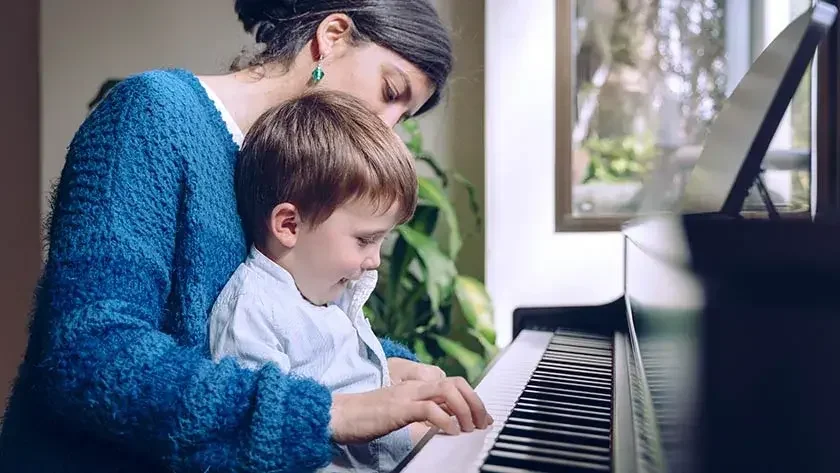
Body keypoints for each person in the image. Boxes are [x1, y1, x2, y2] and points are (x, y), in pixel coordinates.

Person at [0, 1, 492, 472]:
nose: (388, 129)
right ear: (333, 37)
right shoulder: (152, 116)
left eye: (405, 118)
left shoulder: (300, 165)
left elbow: (282, 324)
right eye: (390, 92)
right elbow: (89, 356)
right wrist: (331, 413)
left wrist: (380, 369)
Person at [210, 89, 427, 472]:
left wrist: (394, 374)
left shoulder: (326, 288)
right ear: (289, 225)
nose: (374, 260)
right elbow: (263, 441)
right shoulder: (253, 313)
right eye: (365, 239)